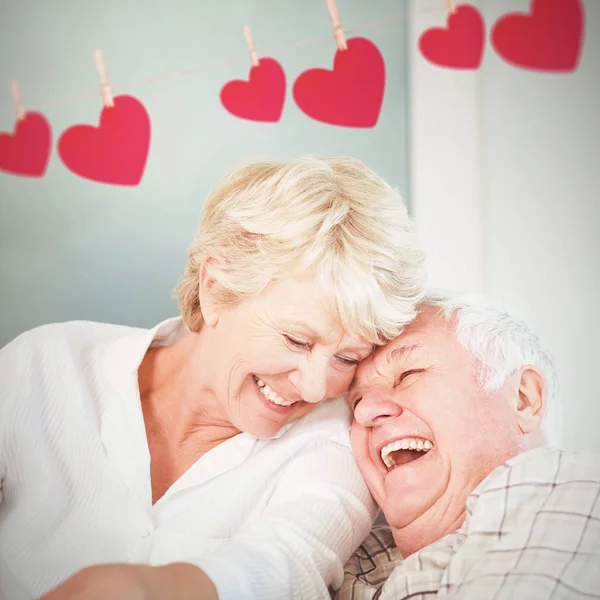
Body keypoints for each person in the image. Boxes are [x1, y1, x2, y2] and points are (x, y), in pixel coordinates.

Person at [0, 156, 426, 600]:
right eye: (297, 341)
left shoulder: (335, 444)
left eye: (346, 357)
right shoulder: (44, 365)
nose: (316, 387)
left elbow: (289, 563)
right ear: (216, 289)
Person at [338, 291, 600, 600]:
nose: (364, 411)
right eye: (356, 400)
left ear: (523, 399)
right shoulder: (339, 555)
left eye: (408, 374)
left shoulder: (569, 487)